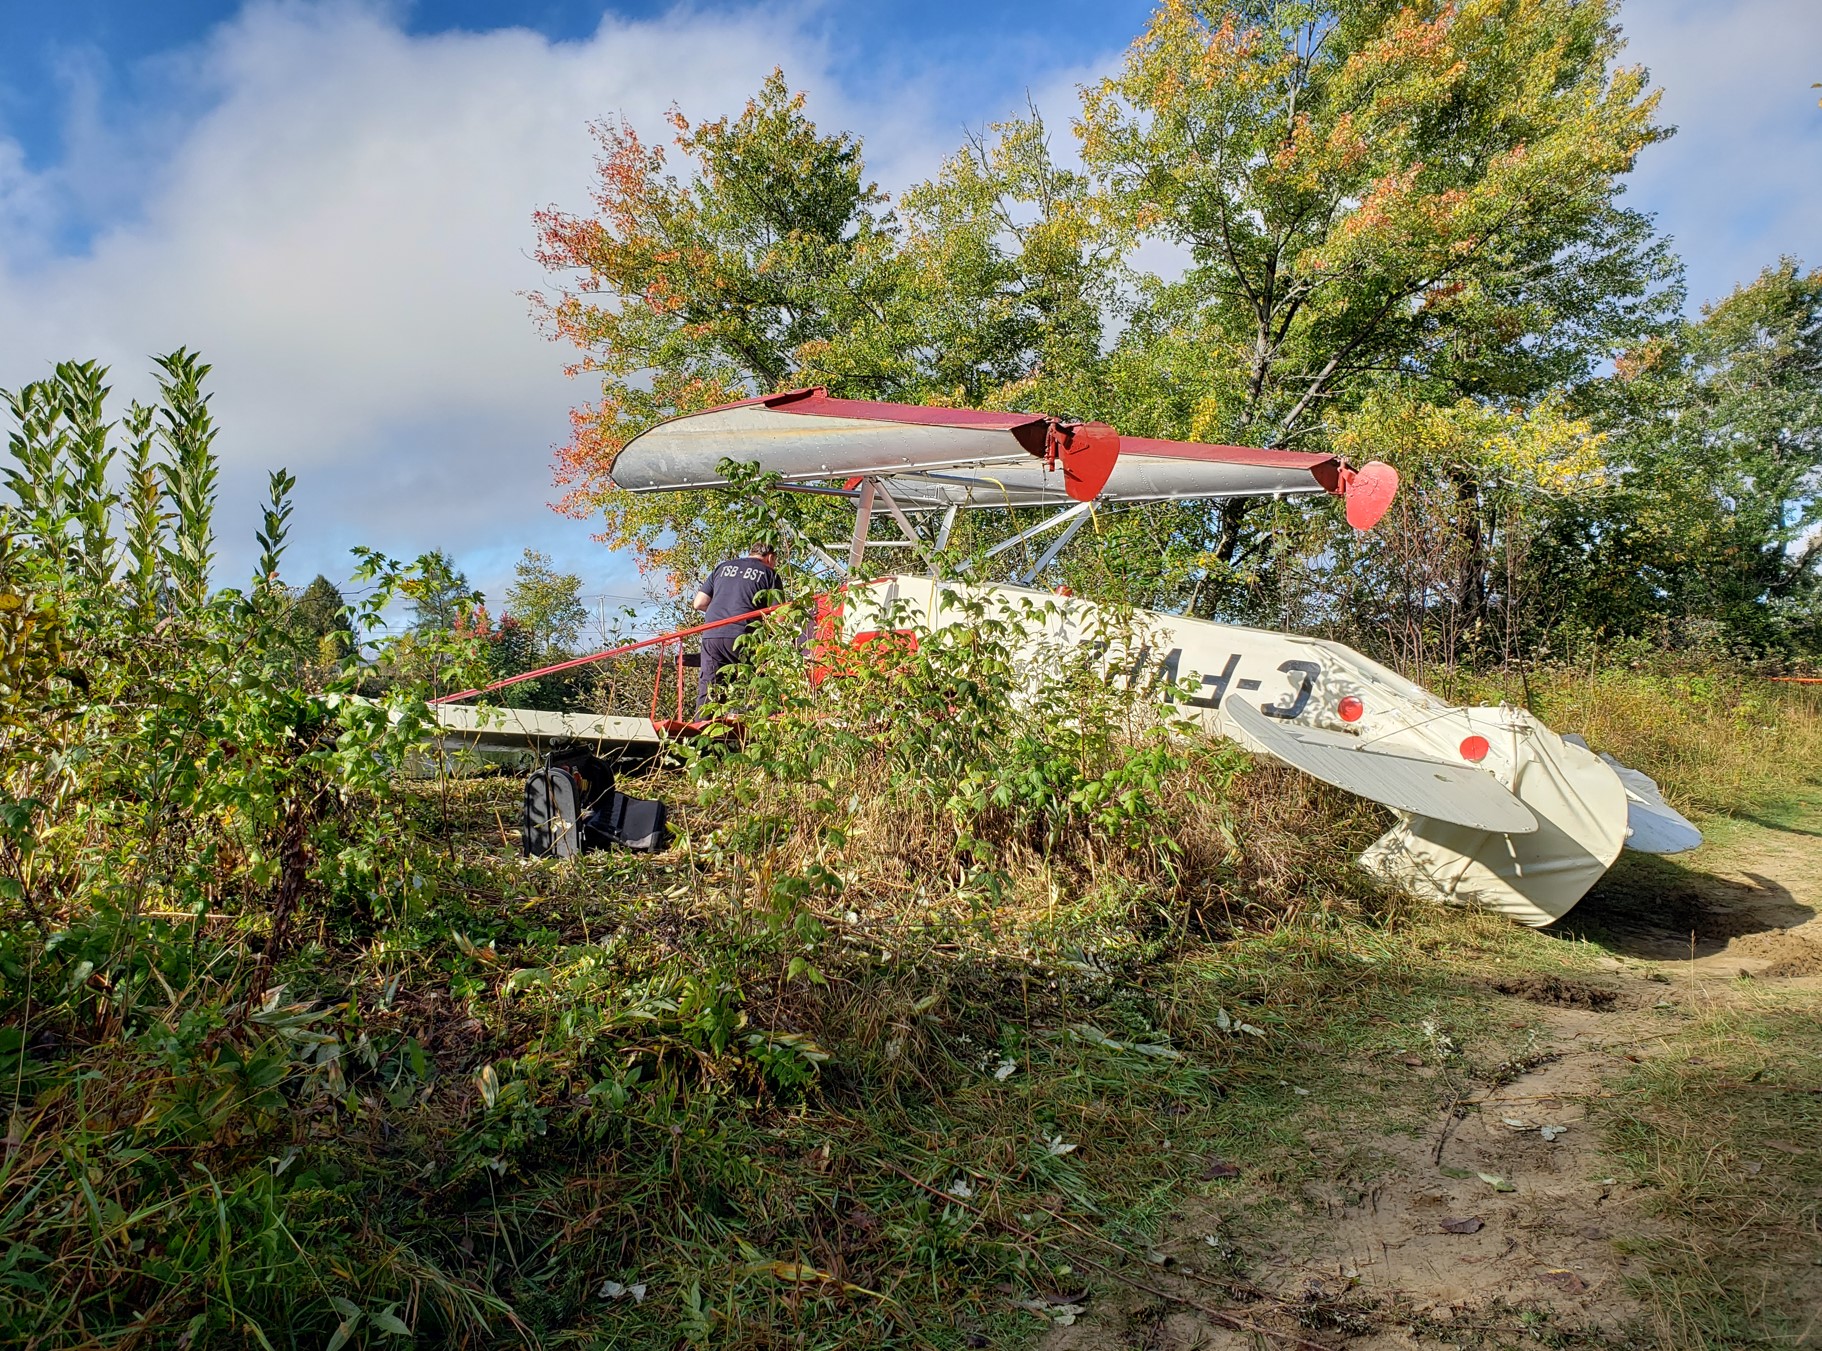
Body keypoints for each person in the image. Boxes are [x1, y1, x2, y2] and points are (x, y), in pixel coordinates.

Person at [691, 543, 781, 709]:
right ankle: (766, 724)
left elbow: (699, 603)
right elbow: (779, 616)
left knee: (710, 688)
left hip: (712, 635)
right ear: (770, 557)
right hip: (745, 635)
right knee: (762, 680)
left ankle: (701, 731)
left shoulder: (723, 567)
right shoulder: (769, 573)